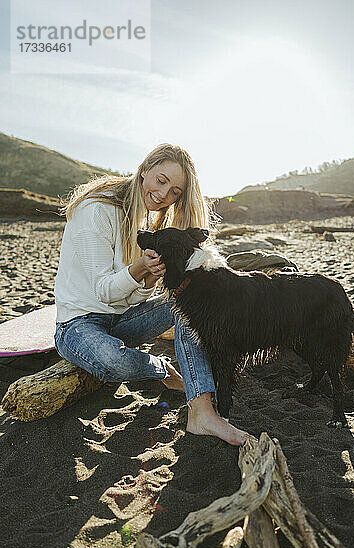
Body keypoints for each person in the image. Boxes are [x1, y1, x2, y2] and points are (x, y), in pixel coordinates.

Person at [54, 143, 249, 446]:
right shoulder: (97, 211)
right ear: (145, 169)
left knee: (188, 302)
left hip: (121, 320)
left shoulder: (145, 216)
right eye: (161, 181)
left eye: (174, 192)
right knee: (112, 362)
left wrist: (148, 277)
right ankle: (163, 370)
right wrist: (140, 268)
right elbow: (103, 291)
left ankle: (202, 413)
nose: (164, 195)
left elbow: (133, 299)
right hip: (78, 325)